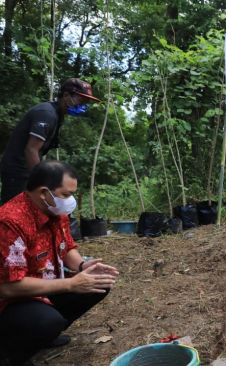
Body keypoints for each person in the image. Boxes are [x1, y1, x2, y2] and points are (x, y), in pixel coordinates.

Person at [0, 161, 119, 366]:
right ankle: (10, 354)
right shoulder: (10, 222)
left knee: (98, 283)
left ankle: (42, 336)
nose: (70, 200)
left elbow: (66, 247)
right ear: (44, 193)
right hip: (10, 301)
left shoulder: (55, 211)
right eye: (65, 194)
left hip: (44, 287)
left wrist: (83, 267)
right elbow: (9, 287)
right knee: (47, 321)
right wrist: (71, 284)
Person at [0, 78, 101, 205]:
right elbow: (31, 149)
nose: (83, 105)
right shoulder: (46, 114)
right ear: (66, 95)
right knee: (13, 212)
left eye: (86, 102)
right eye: (81, 100)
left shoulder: (57, 115)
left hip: (25, 170)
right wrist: (41, 181)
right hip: (18, 171)